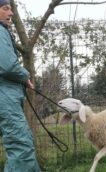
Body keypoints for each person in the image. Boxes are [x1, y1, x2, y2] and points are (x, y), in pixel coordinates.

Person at [0, 1, 41, 171]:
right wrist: (25, 76)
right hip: (5, 95)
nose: (11, 13)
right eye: (5, 8)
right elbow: (7, 65)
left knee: (22, 143)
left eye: (11, 8)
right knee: (22, 146)